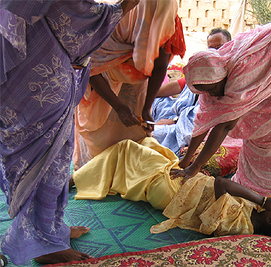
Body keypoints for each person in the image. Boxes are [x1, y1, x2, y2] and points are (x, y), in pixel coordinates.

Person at [0, 0, 140, 264]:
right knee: (45, 164)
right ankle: (42, 243)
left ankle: (51, 230)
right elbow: (83, 22)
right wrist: (126, 5)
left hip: (21, 81)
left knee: (43, 159)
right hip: (38, 83)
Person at [72, 138, 271, 256]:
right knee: (148, 146)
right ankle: (91, 174)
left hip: (172, 193)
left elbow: (221, 183)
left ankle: (75, 179)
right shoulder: (260, 213)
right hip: (188, 180)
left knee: (126, 149)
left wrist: (262, 200)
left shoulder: (239, 226)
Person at [171, 19, 271, 196]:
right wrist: (186, 161)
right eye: (207, 92)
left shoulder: (239, 78)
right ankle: (250, 185)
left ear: (222, 77)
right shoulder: (210, 74)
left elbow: (225, 125)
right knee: (261, 131)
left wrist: (195, 167)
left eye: (212, 90)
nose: (212, 96)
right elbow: (203, 121)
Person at [73, 0, 185, 170]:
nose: (154, 30)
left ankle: (124, 173)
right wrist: (117, 106)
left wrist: (148, 107)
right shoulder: (109, 19)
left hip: (137, 82)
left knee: (134, 132)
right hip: (102, 82)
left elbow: (160, 66)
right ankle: (93, 173)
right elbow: (89, 67)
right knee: (101, 136)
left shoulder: (168, 20)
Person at [151, 28, 232, 156]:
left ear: (230, 46)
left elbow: (206, 116)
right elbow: (178, 86)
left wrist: (173, 121)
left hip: (193, 126)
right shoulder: (202, 70)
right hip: (183, 118)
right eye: (211, 48)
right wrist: (147, 96)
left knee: (150, 137)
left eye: (219, 47)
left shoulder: (232, 77)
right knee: (156, 101)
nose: (215, 52)